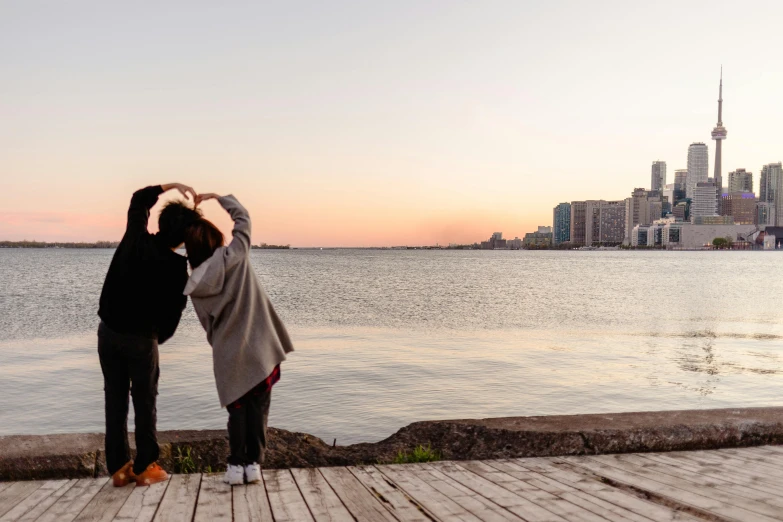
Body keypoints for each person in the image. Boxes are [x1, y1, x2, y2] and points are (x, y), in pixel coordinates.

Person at [183, 193, 294, 485]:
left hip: (227, 354)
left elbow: (209, 327)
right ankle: (254, 464)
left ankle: (235, 466)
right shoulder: (238, 256)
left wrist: (223, 345)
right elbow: (243, 218)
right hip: (259, 350)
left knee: (238, 412)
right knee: (259, 409)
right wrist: (220, 198)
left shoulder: (194, 287)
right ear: (216, 240)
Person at [97, 183, 201, 487]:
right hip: (142, 340)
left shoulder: (135, 238)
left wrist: (172, 186)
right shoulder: (176, 269)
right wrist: (154, 339)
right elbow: (171, 320)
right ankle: (145, 466)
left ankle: (118, 468)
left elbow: (138, 198)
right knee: (145, 402)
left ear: (160, 223)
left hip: (108, 332)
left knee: (114, 400)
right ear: (183, 237)